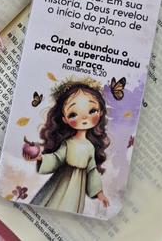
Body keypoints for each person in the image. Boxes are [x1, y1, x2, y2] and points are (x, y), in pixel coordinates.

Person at [23, 78, 110, 214]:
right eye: (74, 114)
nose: (84, 118)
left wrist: (99, 193)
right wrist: (38, 158)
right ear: (65, 119)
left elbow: (92, 171)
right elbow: (56, 158)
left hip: (76, 193)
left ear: (100, 112)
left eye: (92, 111)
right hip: (60, 184)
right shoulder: (68, 143)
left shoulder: (90, 147)